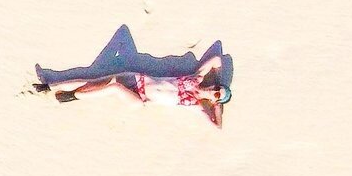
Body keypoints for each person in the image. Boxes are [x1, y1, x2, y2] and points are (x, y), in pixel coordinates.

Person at [33, 54, 229, 127]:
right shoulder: (198, 78)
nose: (215, 91)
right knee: (91, 81)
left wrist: (217, 107)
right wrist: (219, 80)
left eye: (217, 95)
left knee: (115, 87)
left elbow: (216, 126)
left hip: (141, 98)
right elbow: (218, 60)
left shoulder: (196, 105)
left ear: (215, 101)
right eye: (218, 89)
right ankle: (49, 86)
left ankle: (73, 96)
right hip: (139, 79)